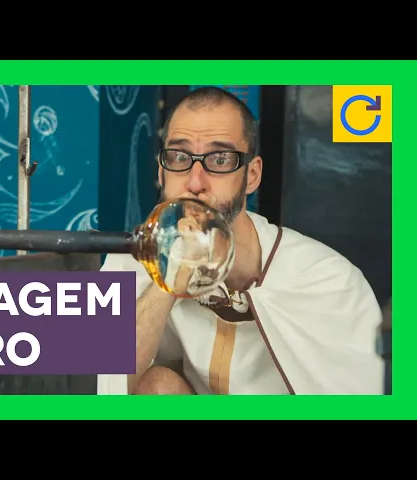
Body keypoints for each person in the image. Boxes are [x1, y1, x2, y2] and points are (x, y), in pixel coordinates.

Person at [98, 86, 385, 395]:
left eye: (220, 159)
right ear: (161, 171)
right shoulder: (128, 256)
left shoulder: (330, 279)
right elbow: (85, 378)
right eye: (180, 157)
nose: (195, 182)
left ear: (252, 175)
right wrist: (171, 274)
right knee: (157, 385)